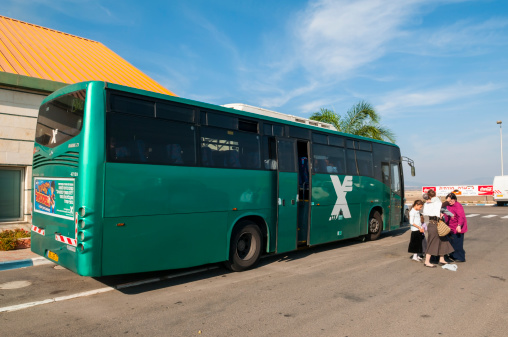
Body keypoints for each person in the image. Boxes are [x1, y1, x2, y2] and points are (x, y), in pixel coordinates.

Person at [422, 189, 454, 268]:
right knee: (432, 242)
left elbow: (439, 206)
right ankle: (427, 261)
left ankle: (442, 259)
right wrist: (447, 200)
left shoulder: (430, 203)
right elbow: (441, 205)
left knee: (443, 241)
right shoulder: (430, 203)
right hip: (433, 225)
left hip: (436, 224)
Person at [445, 193, 467, 262]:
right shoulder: (447, 205)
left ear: (454, 199)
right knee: (451, 242)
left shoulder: (458, 206)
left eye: (451, 201)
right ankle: (452, 255)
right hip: (449, 227)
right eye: (448, 201)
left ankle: (460, 257)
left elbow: (461, 217)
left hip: (457, 227)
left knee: (457, 243)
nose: (449, 202)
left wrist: (459, 225)